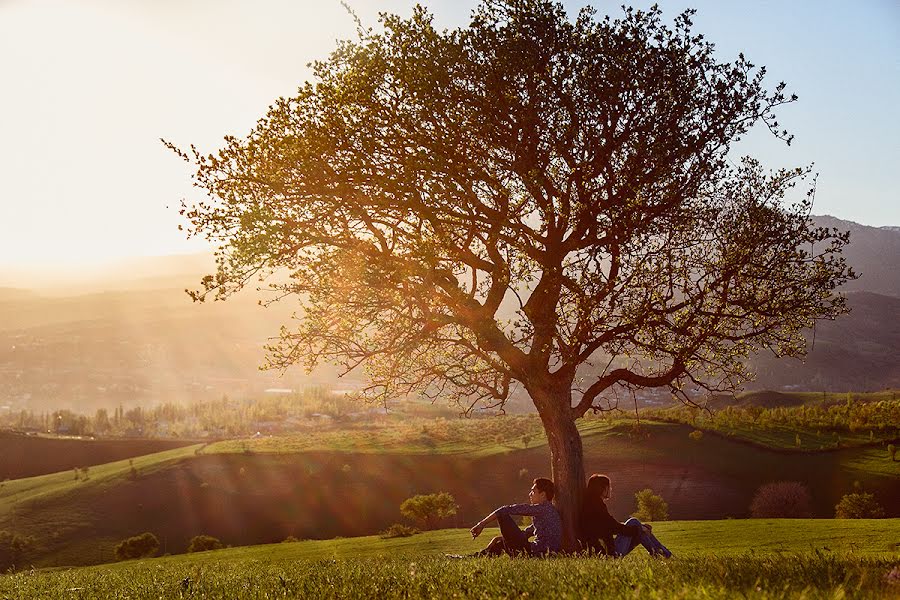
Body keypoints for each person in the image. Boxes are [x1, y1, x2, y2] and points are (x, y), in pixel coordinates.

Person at [579, 473, 672, 558]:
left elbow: (610, 525)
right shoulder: (597, 505)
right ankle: (664, 554)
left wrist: (640, 527)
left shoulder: (592, 504)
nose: (610, 489)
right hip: (608, 554)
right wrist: (639, 528)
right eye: (609, 486)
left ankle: (661, 554)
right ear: (602, 488)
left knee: (636, 525)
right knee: (634, 522)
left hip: (605, 552)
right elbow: (614, 528)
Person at [467, 477, 562, 557]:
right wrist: (500, 538)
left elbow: (504, 510)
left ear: (543, 495)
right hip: (539, 553)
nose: (530, 494)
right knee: (501, 543)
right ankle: (477, 556)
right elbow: (525, 534)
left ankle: (477, 556)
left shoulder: (543, 509)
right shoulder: (547, 512)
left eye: (533, 492)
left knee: (503, 515)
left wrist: (481, 524)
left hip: (537, 553)